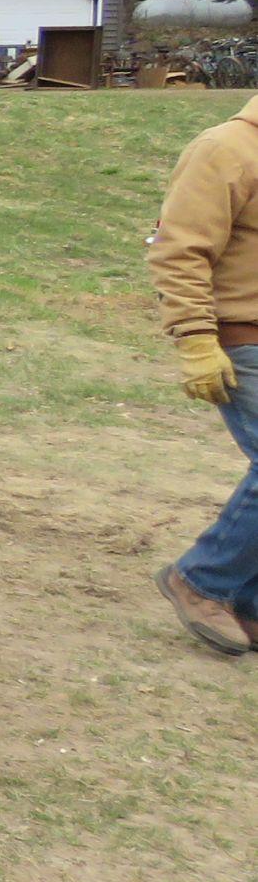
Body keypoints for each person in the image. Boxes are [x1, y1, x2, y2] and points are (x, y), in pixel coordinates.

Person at [149, 94, 258, 656]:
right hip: (245, 341)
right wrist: (195, 339)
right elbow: (179, 251)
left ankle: (247, 604)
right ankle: (202, 582)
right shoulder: (225, 149)